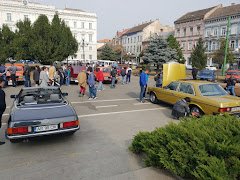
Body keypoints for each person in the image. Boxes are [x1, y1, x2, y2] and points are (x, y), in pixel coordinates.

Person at [0, 77, 6, 145]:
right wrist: (3, 110)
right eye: (3, 82)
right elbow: (1, 103)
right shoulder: (1, 91)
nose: (4, 84)